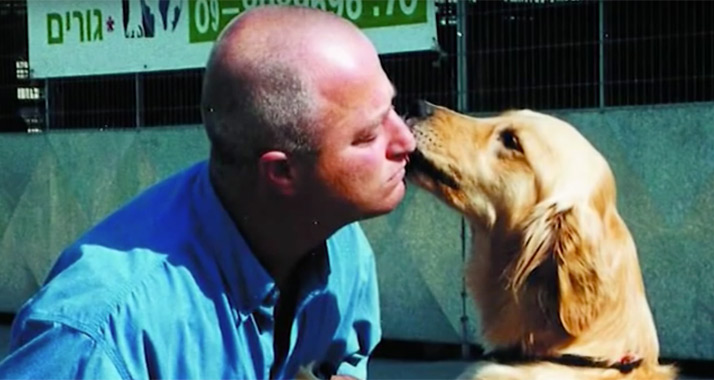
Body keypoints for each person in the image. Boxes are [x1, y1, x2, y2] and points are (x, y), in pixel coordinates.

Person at [0, 5, 415, 380]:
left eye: (392, 109)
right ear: (281, 172)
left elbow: (344, 361)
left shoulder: (340, 245)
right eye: (367, 136)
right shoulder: (96, 340)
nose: (406, 142)